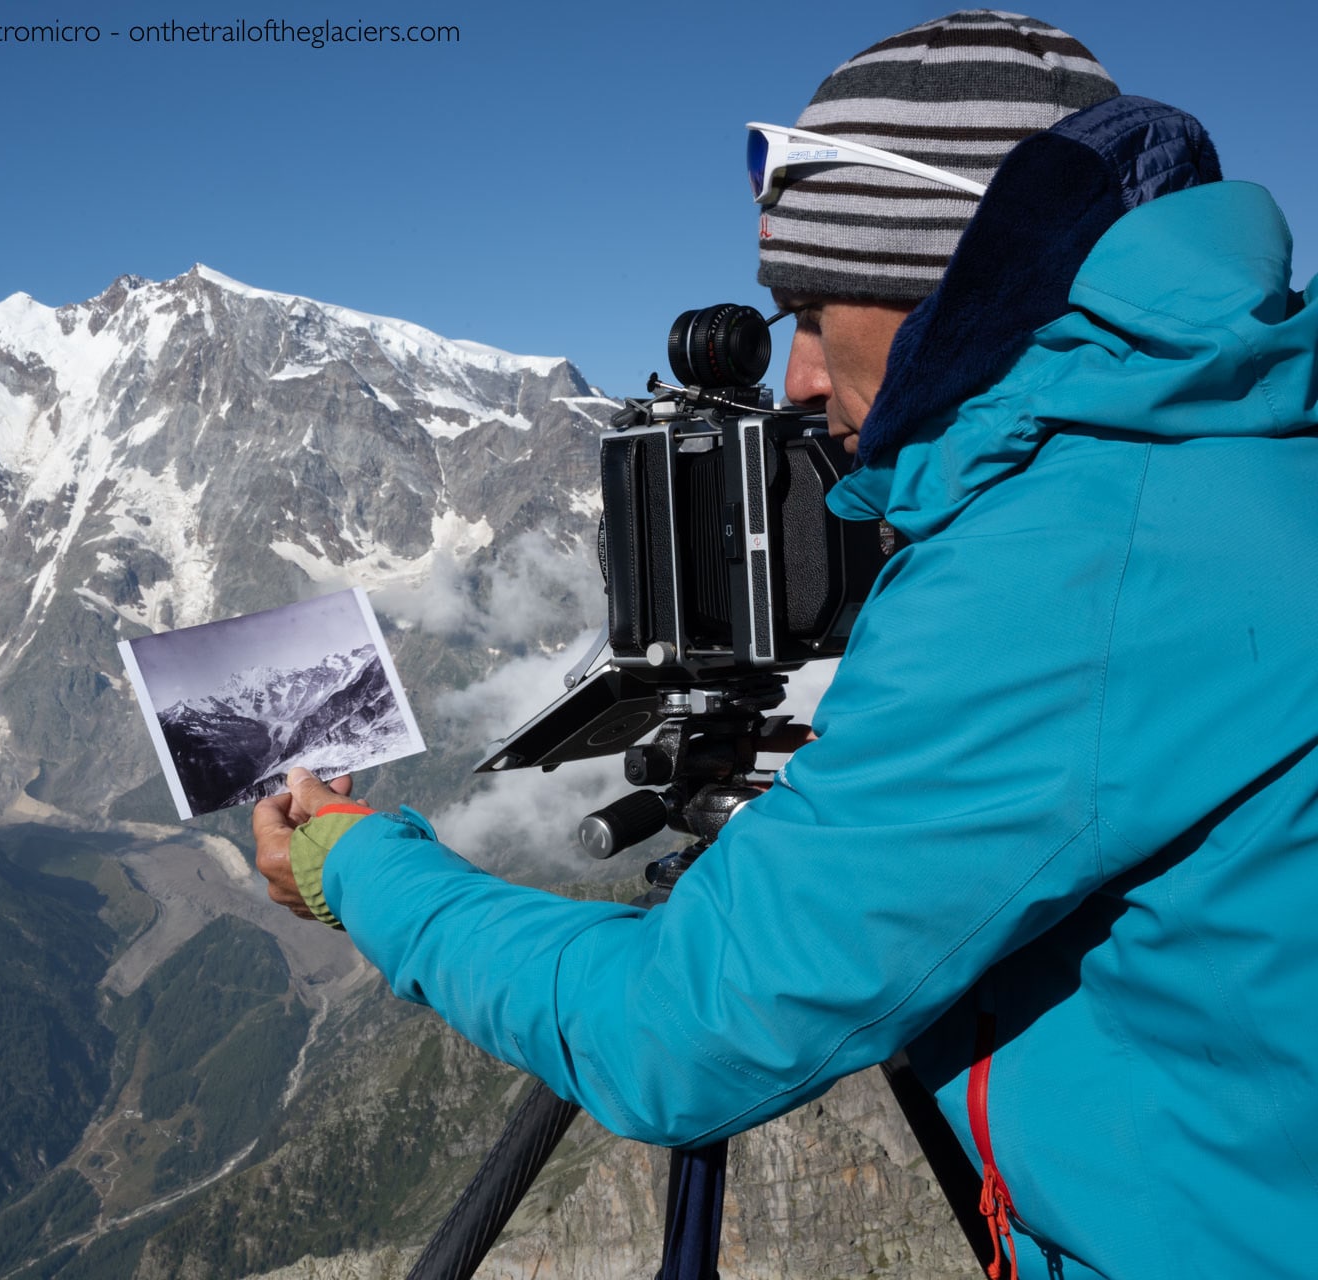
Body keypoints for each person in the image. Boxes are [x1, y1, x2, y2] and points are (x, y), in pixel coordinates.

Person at [254, 11, 1318, 1278]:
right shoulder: (1228, 447)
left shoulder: (1072, 558)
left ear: (952, 285)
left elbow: (677, 1032)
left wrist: (359, 868)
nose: (798, 378)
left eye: (812, 310)